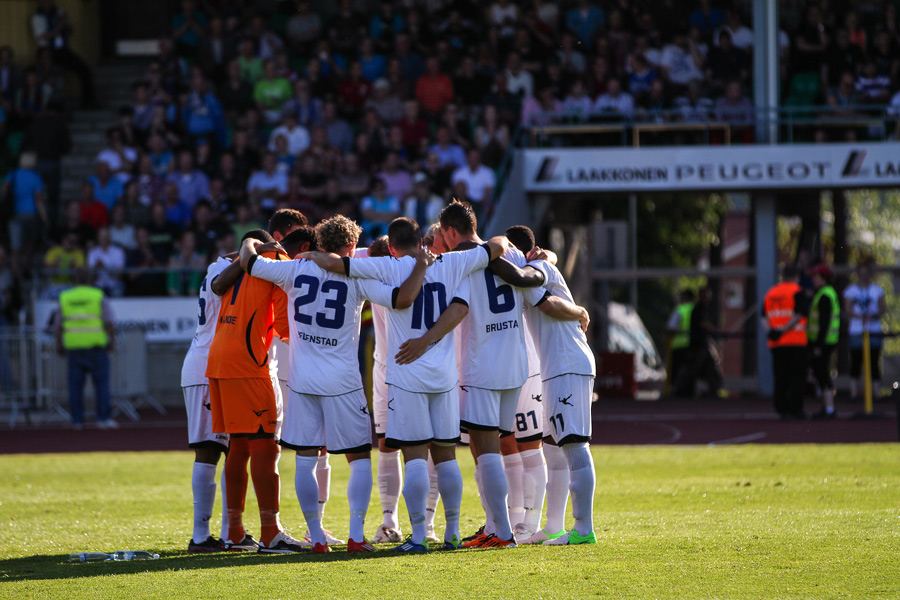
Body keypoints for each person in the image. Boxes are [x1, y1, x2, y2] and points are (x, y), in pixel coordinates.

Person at [303, 217, 510, 551]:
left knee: (414, 458)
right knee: (446, 458)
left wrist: (311, 255)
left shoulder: (385, 267)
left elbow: (336, 263)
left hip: (405, 375)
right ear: (421, 240)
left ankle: (415, 536)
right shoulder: (451, 261)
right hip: (443, 376)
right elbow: (499, 245)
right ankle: (452, 531)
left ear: (393, 246)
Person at [241, 216, 430, 553]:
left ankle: (316, 537)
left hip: (302, 380)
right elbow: (402, 299)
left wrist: (253, 242)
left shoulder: (294, 269)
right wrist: (420, 268)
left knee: (304, 459)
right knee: (358, 457)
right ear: (347, 247)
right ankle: (356, 535)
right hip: (343, 380)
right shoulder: (354, 275)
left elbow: (248, 262)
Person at [205, 229, 299, 553]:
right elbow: (287, 325)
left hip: (218, 360)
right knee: (265, 446)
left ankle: (234, 532)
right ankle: (271, 533)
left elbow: (218, 287)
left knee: (239, 447)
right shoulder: (277, 259)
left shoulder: (234, 263)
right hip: (248, 362)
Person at [502, 226, 595, 546]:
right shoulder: (538, 263)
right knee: (554, 450)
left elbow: (548, 304)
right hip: (555, 366)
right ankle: (554, 526)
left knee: (574, 445)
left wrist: (581, 310)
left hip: (567, 363)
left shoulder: (536, 268)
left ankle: (584, 529)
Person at [180, 244, 248, 552]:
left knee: (232, 449)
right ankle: (200, 536)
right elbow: (222, 286)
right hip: (206, 368)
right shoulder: (221, 270)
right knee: (210, 449)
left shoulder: (219, 266)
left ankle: (227, 532)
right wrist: (250, 257)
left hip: (215, 366)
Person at [53, 270, 117, 429]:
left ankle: (77, 421)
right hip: (96, 347)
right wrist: (112, 341)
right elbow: (109, 321)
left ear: (74, 279)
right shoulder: (98, 295)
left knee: (75, 387)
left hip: (74, 348)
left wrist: (59, 344)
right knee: (102, 385)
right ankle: (103, 419)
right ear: (91, 279)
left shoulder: (65, 297)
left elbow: (57, 325)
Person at [762, 264, 809, 421]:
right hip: (796, 342)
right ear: (796, 276)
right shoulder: (797, 292)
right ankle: (796, 409)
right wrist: (784, 330)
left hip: (777, 344)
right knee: (797, 377)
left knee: (781, 377)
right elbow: (799, 314)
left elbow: (763, 316)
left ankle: (782, 409)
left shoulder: (771, 293)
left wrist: (771, 332)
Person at [843, 261, 886, 402]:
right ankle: (854, 393)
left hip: (873, 330)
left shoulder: (877, 290)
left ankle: (876, 393)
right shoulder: (851, 290)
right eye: (861, 273)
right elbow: (847, 308)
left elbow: (882, 308)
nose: (863, 276)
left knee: (874, 360)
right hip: (856, 330)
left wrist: (871, 316)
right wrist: (859, 316)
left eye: (866, 273)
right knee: (856, 361)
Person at [674, 287, 726, 398]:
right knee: (693, 368)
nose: (707, 297)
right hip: (697, 345)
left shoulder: (700, 308)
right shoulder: (698, 308)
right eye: (705, 294)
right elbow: (702, 324)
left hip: (699, 344)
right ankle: (681, 389)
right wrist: (714, 331)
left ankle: (713, 389)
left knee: (708, 367)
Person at [808, 263, 840, 420]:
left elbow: (824, 322)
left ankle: (829, 408)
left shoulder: (825, 295)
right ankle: (826, 407)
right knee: (821, 374)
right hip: (824, 341)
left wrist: (818, 345)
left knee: (823, 374)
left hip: (824, 342)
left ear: (822, 277)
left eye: (815, 276)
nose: (813, 279)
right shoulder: (824, 293)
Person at [667, 289, 695, 397]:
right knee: (690, 373)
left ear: (684, 298)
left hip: (679, 345)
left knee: (677, 372)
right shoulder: (695, 310)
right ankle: (689, 394)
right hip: (693, 346)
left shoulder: (679, 310)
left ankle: (676, 393)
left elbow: (671, 327)